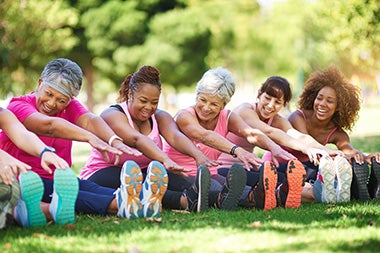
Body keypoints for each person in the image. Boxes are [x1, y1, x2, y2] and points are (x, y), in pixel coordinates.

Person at [0, 58, 162, 227]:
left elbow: (90, 120)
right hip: (27, 180)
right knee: (75, 194)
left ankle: (138, 199)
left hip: (61, 178)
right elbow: (49, 126)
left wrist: (114, 141)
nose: (52, 103)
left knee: (89, 187)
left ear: (70, 99)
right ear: (40, 83)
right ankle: (122, 205)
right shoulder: (19, 106)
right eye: (49, 94)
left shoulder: (68, 107)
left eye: (62, 100)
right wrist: (90, 137)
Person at [80, 65, 220, 213]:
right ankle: (183, 201)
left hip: (145, 172)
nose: (148, 107)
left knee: (175, 180)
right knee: (141, 181)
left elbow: (175, 136)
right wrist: (165, 159)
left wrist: (198, 155)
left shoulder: (160, 116)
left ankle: (219, 198)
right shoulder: (112, 114)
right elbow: (136, 139)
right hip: (102, 173)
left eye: (154, 102)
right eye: (143, 101)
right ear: (130, 95)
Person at [163, 67, 300, 211]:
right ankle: (253, 198)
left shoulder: (227, 117)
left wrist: (275, 148)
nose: (206, 108)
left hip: (210, 173)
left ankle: (273, 194)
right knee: (218, 188)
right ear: (197, 96)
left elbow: (251, 133)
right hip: (179, 174)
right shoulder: (184, 116)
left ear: (224, 105)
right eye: (202, 100)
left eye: (214, 104)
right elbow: (204, 136)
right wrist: (236, 150)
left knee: (236, 187)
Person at [218, 76, 345, 207]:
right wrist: (306, 149)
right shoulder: (245, 110)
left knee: (282, 176)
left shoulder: (277, 120)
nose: (270, 105)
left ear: (283, 104)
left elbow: (299, 136)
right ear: (259, 94)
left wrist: (326, 150)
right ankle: (319, 193)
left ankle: (328, 190)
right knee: (272, 183)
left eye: (277, 102)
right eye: (267, 98)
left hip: (248, 166)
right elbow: (268, 132)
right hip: (224, 169)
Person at [269, 66, 379, 203]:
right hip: (282, 164)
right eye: (319, 98)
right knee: (326, 168)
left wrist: (364, 157)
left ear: (339, 106)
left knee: (340, 166)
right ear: (313, 98)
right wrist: (335, 155)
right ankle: (347, 190)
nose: (322, 104)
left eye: (329, 101)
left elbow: (348, 149)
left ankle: (366, 188)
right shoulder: (298, 117)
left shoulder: (337, 132)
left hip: (309, 168)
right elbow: (305, 141)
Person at [0, 107, 69, 229]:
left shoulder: (2, 113)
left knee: (10, 189)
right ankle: (17, 214)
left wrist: (45, 152)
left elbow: (22, 134)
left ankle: (45, 210)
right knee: (6, 191)